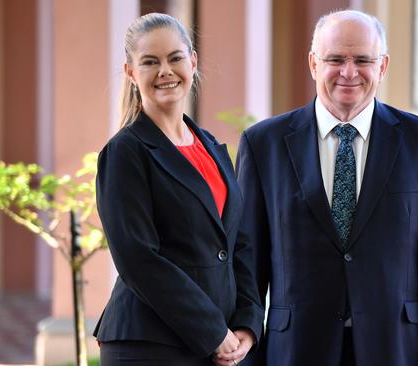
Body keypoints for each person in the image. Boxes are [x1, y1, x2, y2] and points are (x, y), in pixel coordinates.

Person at [236, 9, 418, 366]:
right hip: (296, 351)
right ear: (313, 64)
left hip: (394, 349)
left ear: (383, 66)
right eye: (335, 59)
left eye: (362, 59)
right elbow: (247, 270)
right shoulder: (263, 144)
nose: (348, 72)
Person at [94, 13, 263, 366]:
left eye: (175, 58)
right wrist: (212, 332)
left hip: (223, 344)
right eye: (150, 62)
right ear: (130, 72)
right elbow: (138, 258)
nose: (165, 71)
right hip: (151, 346)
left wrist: (247, 322)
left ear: (193, 61)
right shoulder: (126, 151)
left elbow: (239, 244)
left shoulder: (214, 148)